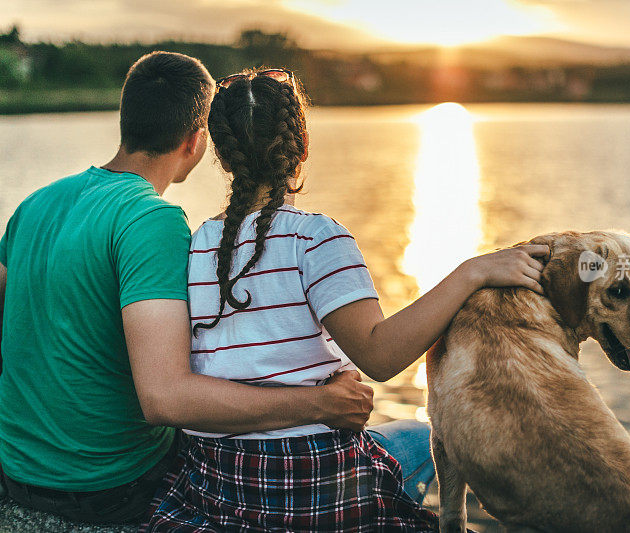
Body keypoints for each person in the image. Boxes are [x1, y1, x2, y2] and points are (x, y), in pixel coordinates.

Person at [143, 68, 550, 531]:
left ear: (222, 154)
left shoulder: (197, 243)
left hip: (222, 479)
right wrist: (471, 272)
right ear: (302, 147)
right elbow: (379, 356)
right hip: (312, 477)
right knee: (421, 436)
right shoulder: (316, 238)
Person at [0, 52, 374, 524]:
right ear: (197, 141)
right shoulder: (150, 220)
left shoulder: (37, 203)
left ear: (127, 119)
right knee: (389, 443)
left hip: (19, 472)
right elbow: (165, 399)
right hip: (113, 485)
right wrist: (322, 403)